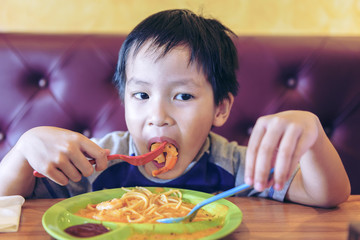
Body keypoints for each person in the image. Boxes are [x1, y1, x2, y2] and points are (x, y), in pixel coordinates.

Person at [0, 9, 350, 207]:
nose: (158, 116)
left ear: (221, 109)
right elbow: (7, 200)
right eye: (141, 95)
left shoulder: (236, 166)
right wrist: (25, 147)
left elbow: (329, 196)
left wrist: (312, 131)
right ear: (123, 101)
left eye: (182, 96)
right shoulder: (97, 164)